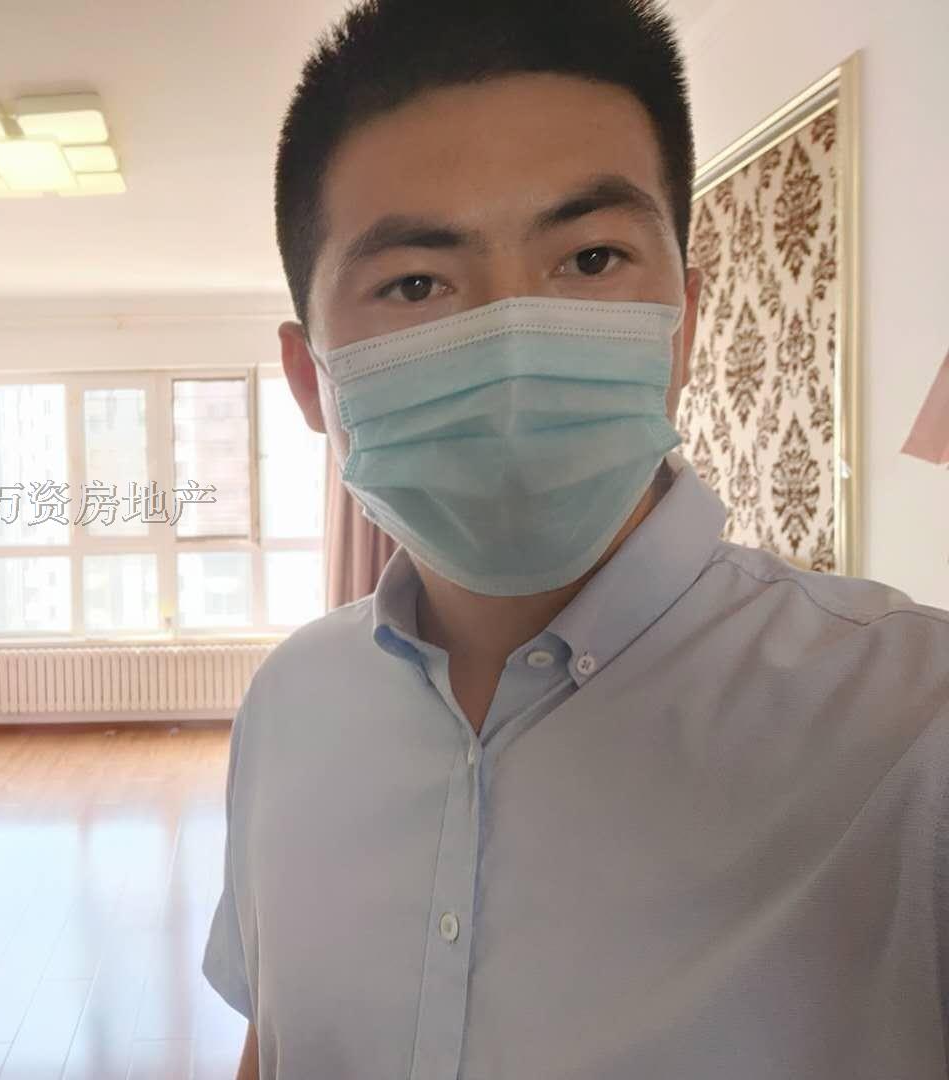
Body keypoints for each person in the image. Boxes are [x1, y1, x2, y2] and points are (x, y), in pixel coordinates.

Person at [200, 1, 949, 1077]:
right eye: (415, 283)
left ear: (682, 325)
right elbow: (275, 1042)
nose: (513, 341)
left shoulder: (913, 733)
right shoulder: (289, 707)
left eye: (591, 259)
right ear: (310, 379)